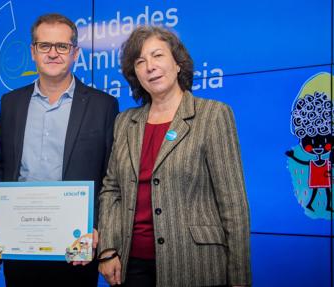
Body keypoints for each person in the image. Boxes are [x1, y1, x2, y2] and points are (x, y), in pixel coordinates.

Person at [97, 26, 251, 286]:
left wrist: (239, 279)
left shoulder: (213, 115)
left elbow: (233, 204)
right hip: (131, 265)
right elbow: (111, 189)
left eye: (158, 56)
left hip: (197, 264)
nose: (150, 66)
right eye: (140, 62)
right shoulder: (125, 122)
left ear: (178, 63)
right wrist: (108, 250)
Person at [0, 13, 119, 287]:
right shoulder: (11, 103)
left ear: (75, 53)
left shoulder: (103, 105)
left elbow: (111, 178)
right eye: (45, 46)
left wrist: (100, 232)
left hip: (76, 245)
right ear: (33, 52)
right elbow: (0, 164)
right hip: (19, 242)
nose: (53, 53)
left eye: (62, 46)